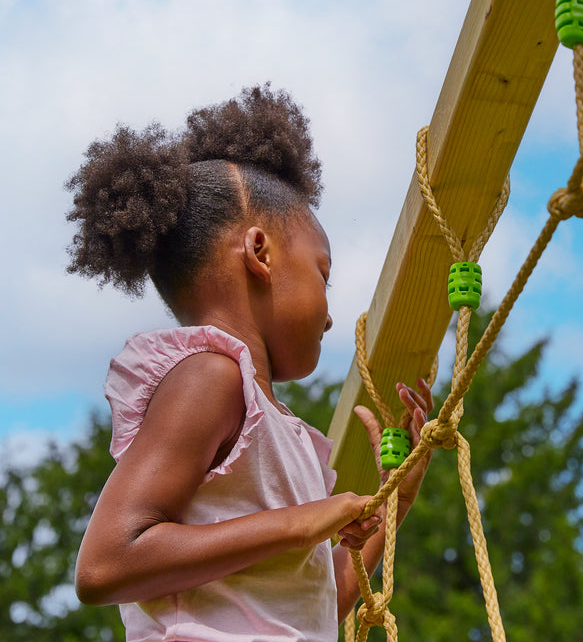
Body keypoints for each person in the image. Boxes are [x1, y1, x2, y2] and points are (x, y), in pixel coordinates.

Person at [67, 84, 433, 642]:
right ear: (260, 254)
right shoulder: (209, 377)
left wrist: (395, 504)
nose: (331, 313)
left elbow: (306, 609)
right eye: (322, 272)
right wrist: (299, 523)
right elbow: (106, 563)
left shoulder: (269, 423)